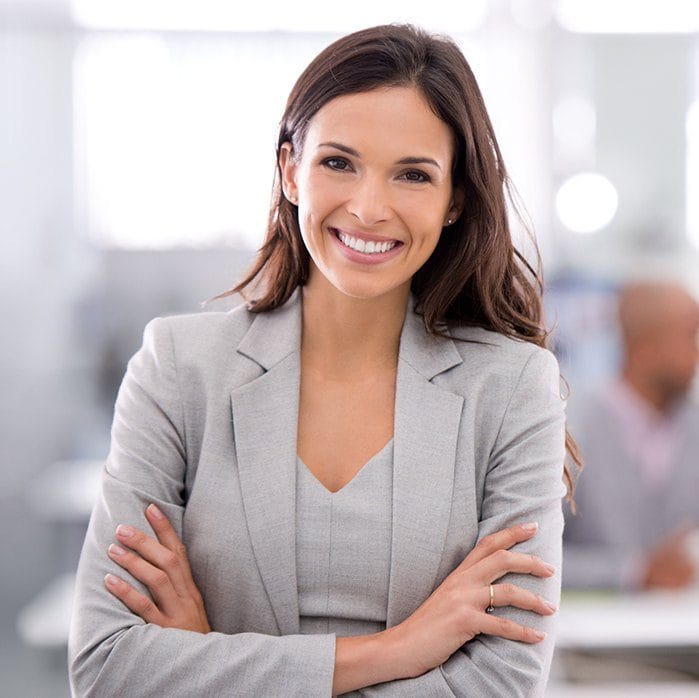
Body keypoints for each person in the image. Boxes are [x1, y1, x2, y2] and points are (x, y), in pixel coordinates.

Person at [68, 24, 578, 696]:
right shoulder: (180, 368)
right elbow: (107, 667)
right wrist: (396, 650)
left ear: (454, 199)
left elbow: (501, 682)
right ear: (290, 170)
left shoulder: (511, 387)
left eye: (412, 174)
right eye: (338, 162)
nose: (368, 207)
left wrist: (208, 662)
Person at [562, 280, 699, 591]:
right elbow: (533, 558)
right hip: (593, 635)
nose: (697, 355)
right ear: (643, 349)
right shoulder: (570, 431)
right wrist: (633, 572)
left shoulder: (694, 427)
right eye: (690, 337)